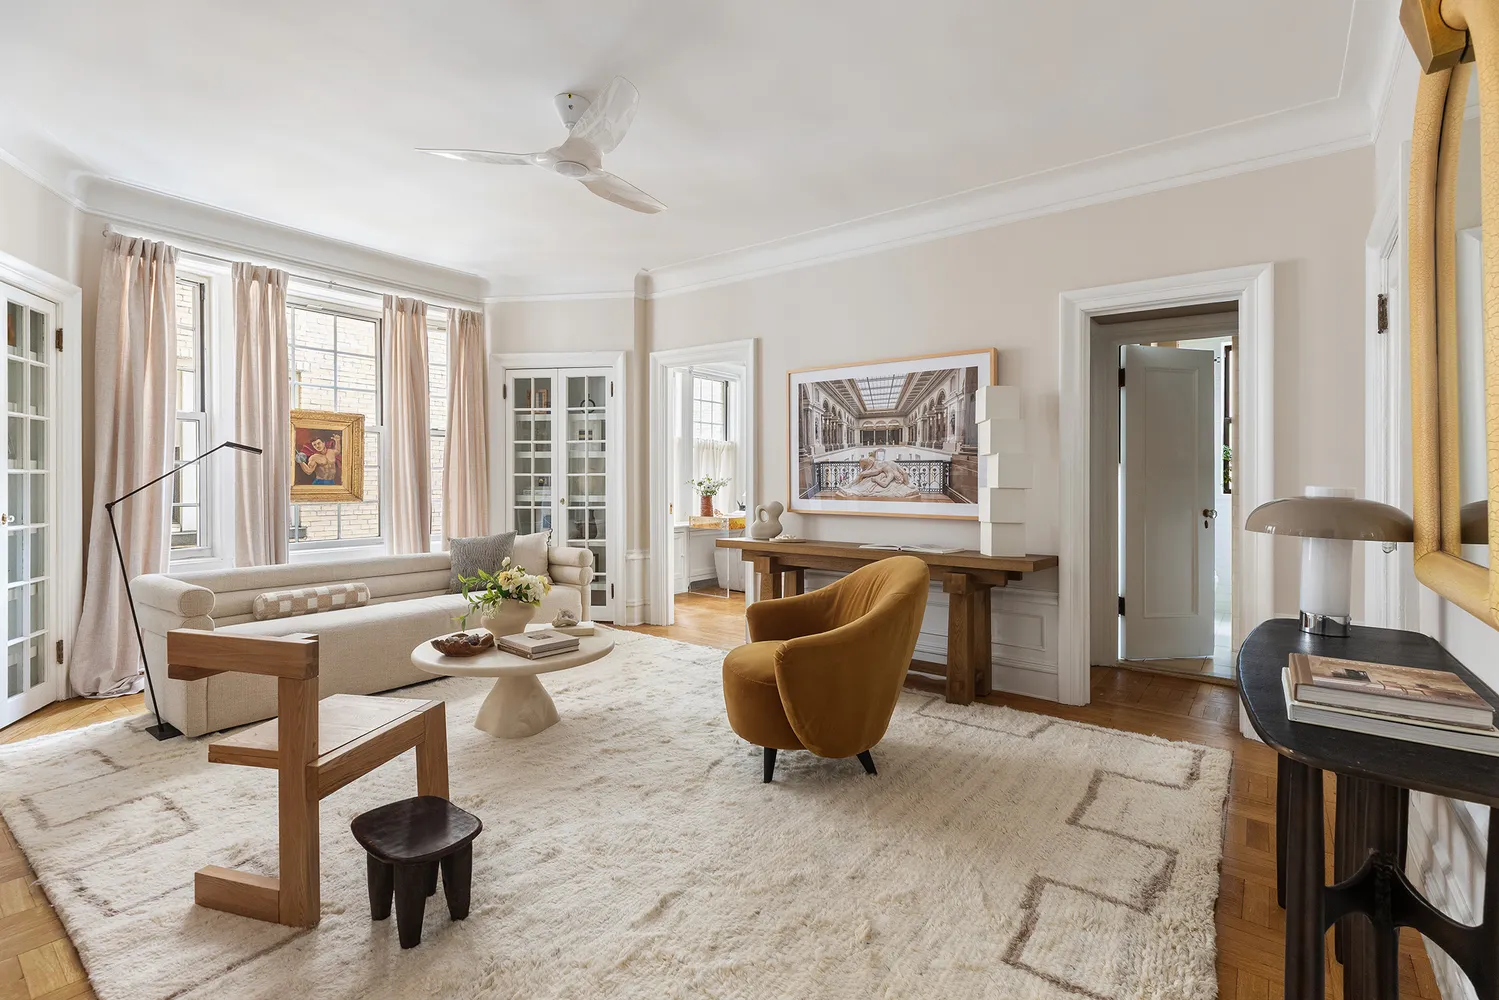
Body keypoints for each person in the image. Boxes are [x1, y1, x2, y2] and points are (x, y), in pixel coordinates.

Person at [836, 451, 920, 499]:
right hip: (874, 462)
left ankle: (850, 486)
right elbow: (905, 473)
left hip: (877, 469)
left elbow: (885, 484)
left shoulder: (891, 475)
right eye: (899, 478)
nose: (898, 478)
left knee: (861, 474)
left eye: (898, 480)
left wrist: (876, 480)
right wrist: (907, 483)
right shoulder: (895, 466)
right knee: (862, 461)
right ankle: (851, 485)